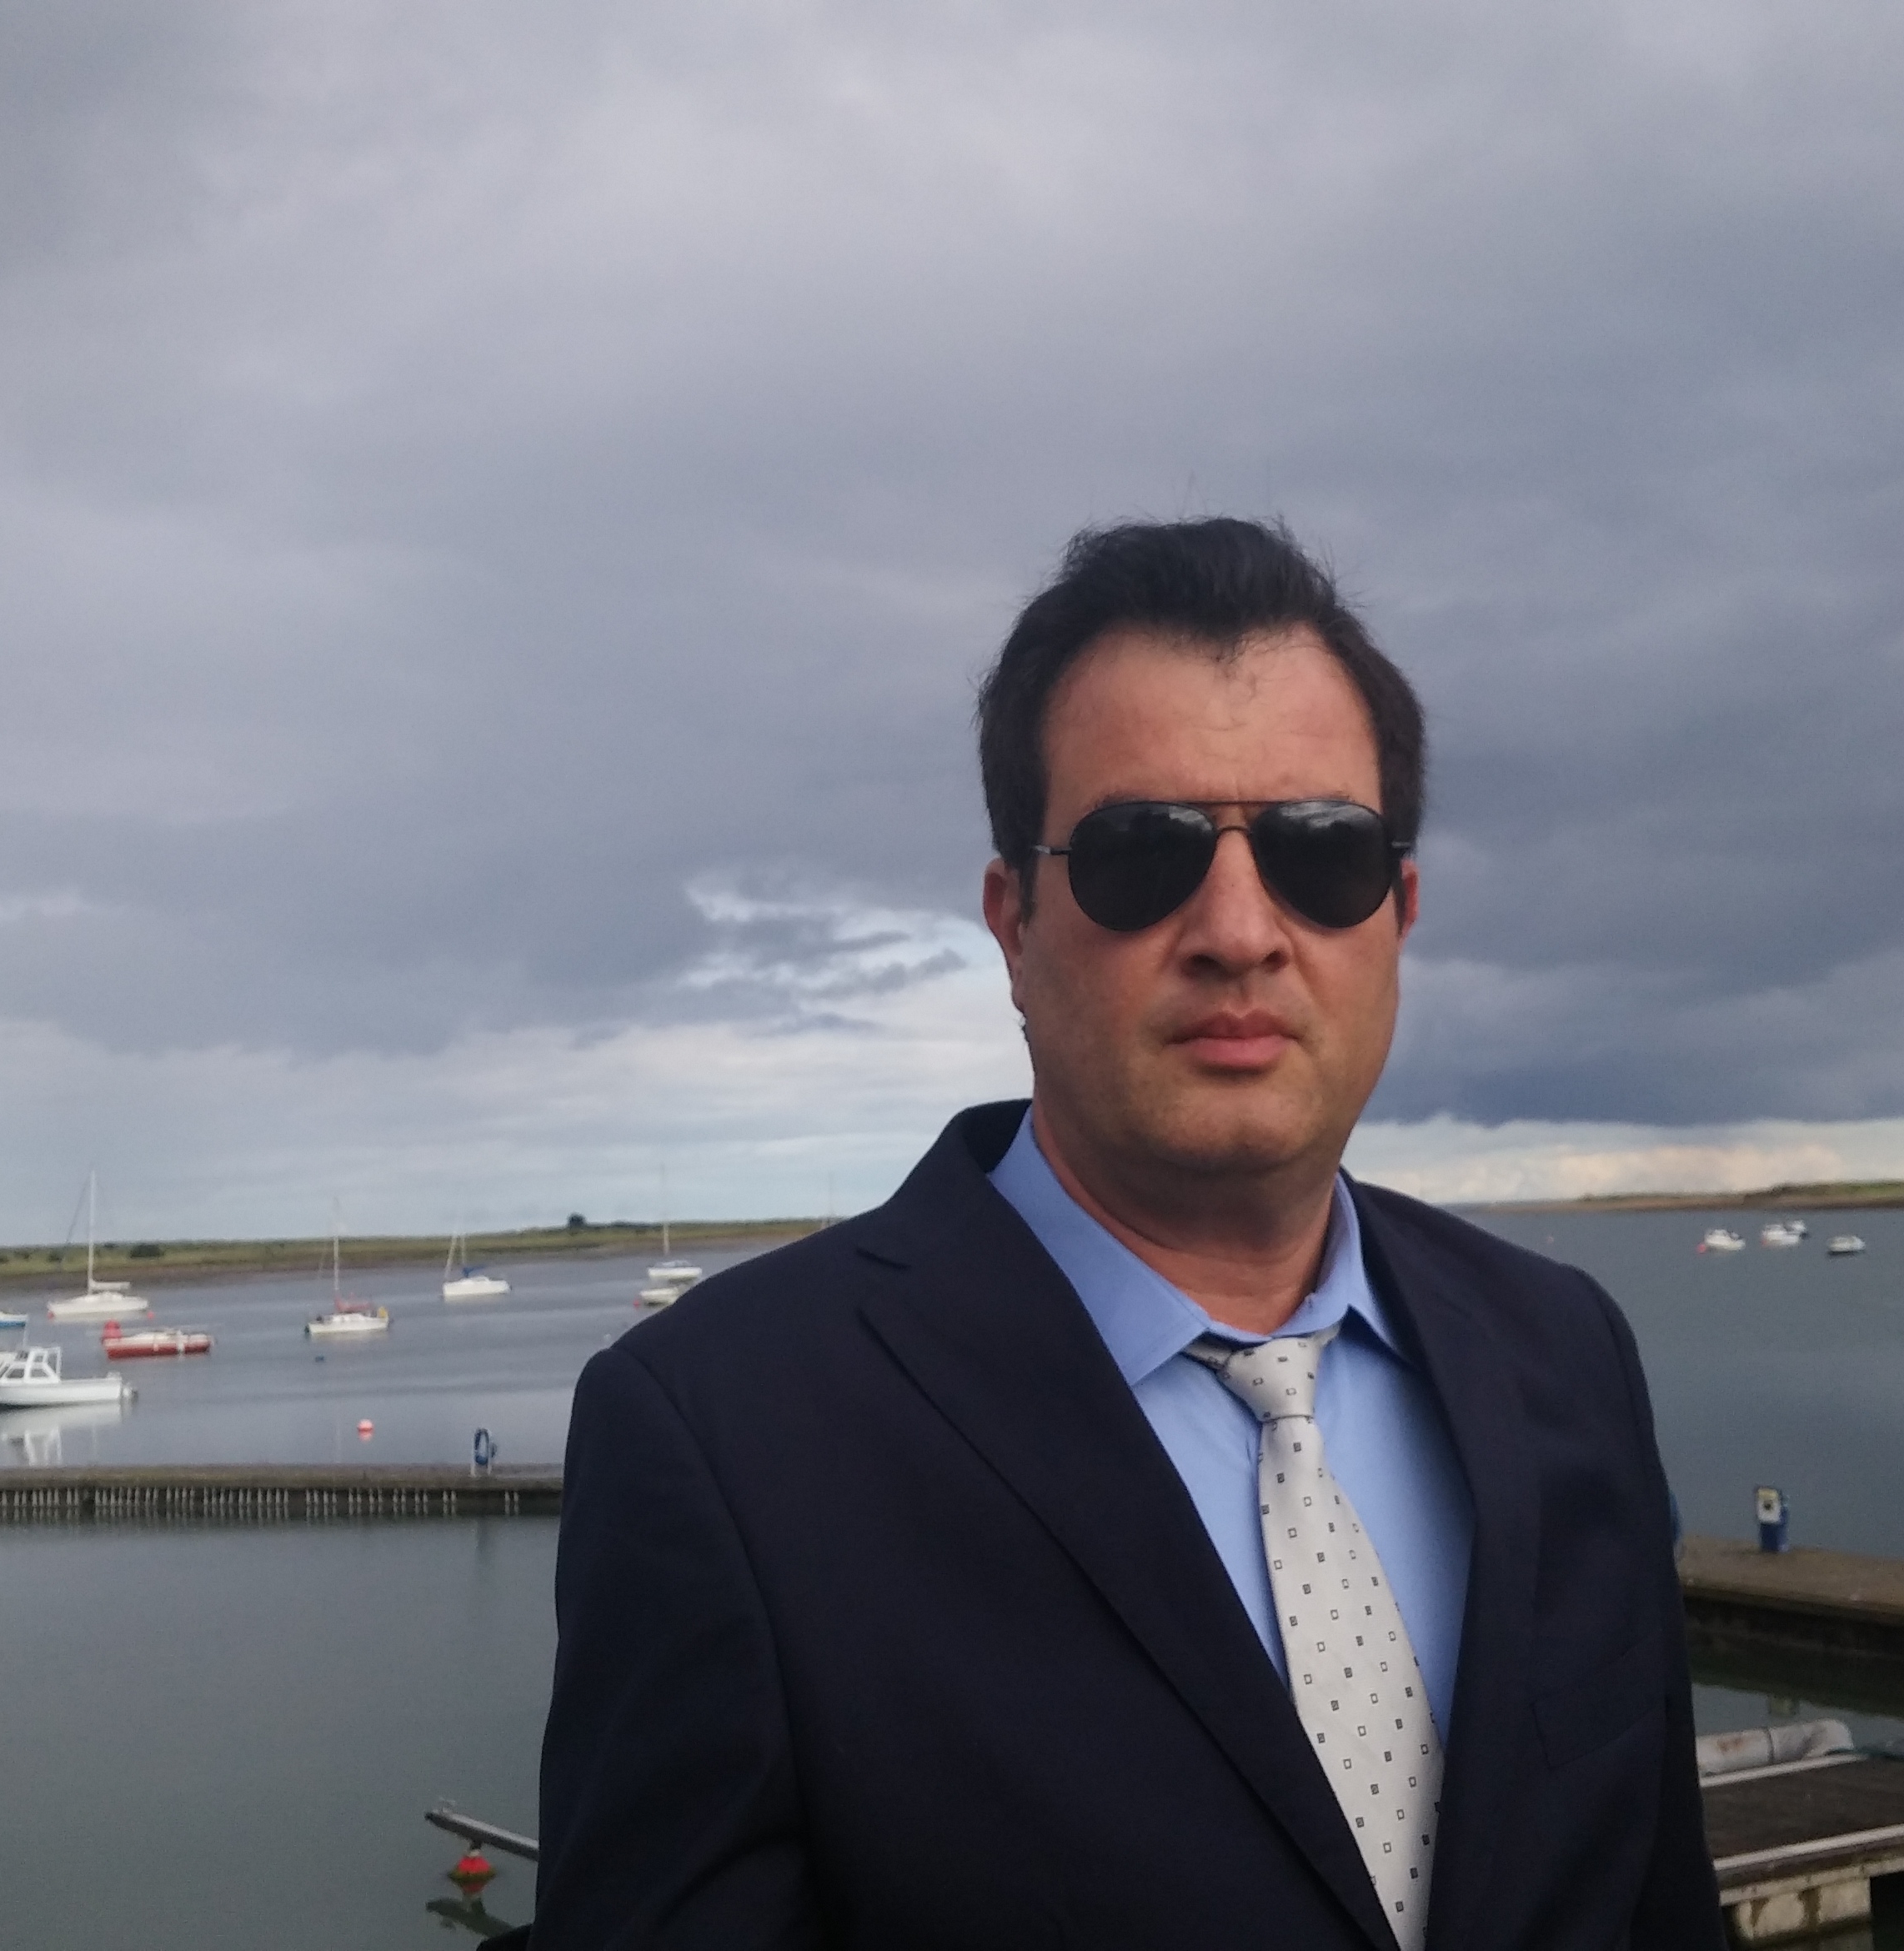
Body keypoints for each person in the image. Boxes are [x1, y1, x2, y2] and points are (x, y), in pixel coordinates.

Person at [532, 519, 1720, 1950]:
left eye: (1321, 852)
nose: (1240, 929)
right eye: (1142, 852)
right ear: (1013, 924)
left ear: (1399, 914)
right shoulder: (726, 1436)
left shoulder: (1565, 1354)